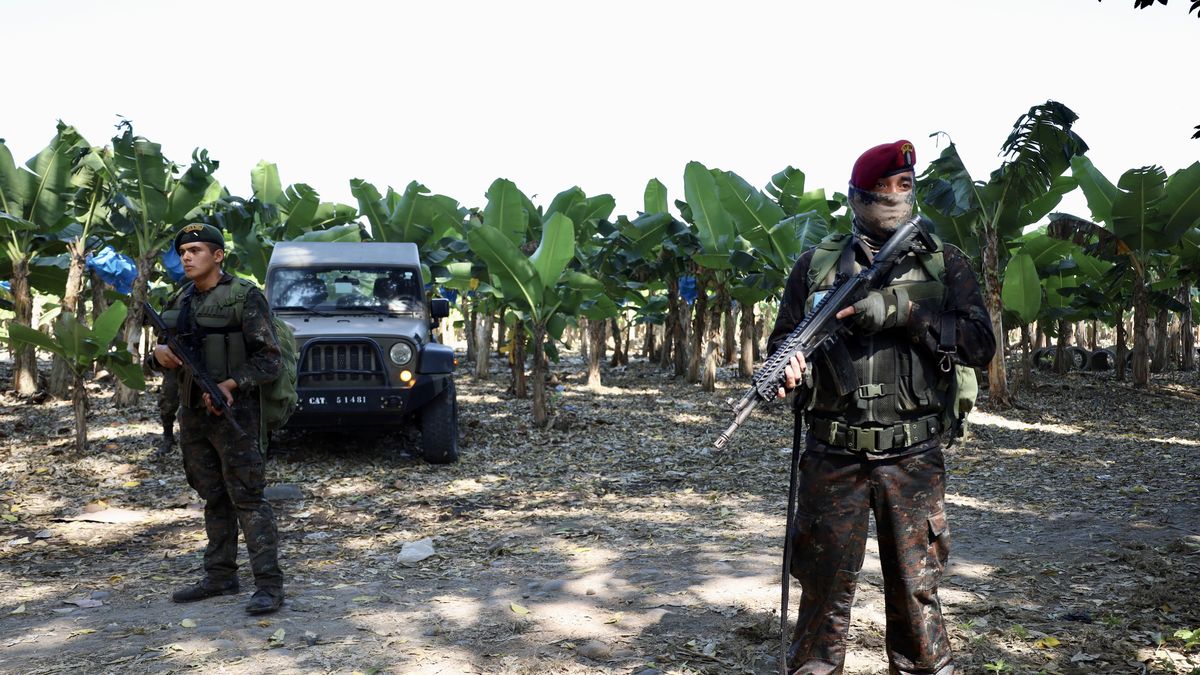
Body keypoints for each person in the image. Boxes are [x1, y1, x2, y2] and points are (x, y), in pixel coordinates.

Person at [768, 140, 996, 675]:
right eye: (882, 190)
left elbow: (980, 345)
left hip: (911, 456)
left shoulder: (944, 262)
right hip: (832, 455)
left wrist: (903, 312)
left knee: (917, 592)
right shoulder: (814, 267)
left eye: (904, 187)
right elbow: (782, 344)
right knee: (822, 589)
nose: (894, 198)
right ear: (856, 198)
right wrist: (788, 370)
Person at [147, 223, 286, 615]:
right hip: (193, 415)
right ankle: (220, 574)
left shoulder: (244, 296)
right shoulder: (183, 298)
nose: (187, 257)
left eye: (196, 250)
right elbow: (162, 358)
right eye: (183, 251)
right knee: (213, 495)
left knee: (248, 497)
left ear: (218, 255)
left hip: (235, 411)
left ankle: (269, 586)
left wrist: (230, 384)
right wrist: (156, 356)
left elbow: (269, 359)